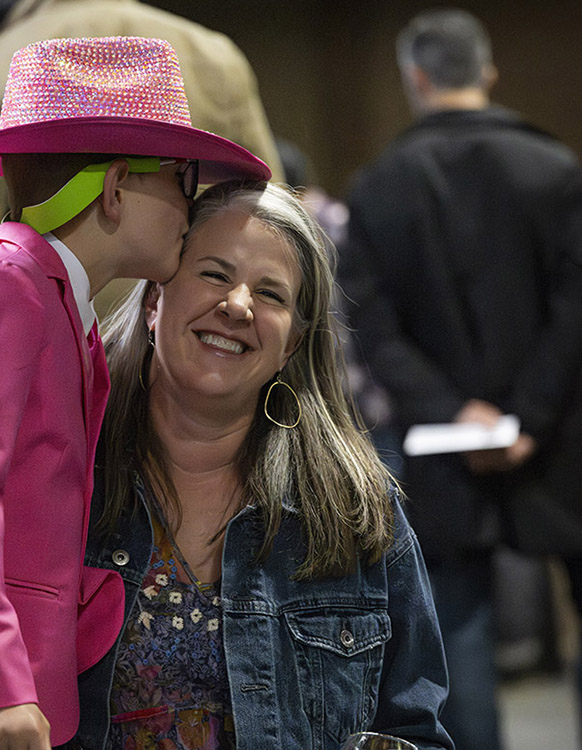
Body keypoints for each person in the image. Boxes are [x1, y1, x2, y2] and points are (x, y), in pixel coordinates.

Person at [0, 180, 453, 749]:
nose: (238, 305)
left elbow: (412, 728)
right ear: (154, 302)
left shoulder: (352, 506)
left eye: (270, 294)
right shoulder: (55, 474)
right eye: (214, 274)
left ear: (291, 344)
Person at [0, 36, 268, 750]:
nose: (191, 210)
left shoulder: (55, 304)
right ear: (116, 186)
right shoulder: (2, 296)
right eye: (183, 180)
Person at [341, 8, 582, 750]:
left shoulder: (378, 186)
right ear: (487, 73)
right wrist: (532, 414)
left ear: (414, 78)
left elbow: (370, 324)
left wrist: (455, 412)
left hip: (444, 445)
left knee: (457, 631)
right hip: (565, 436)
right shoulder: (558, 170)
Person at [0, 0, 285, 307]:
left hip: (39, 346)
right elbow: (272, 224)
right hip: (193, 356)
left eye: (182, 176)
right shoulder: (215, 56)